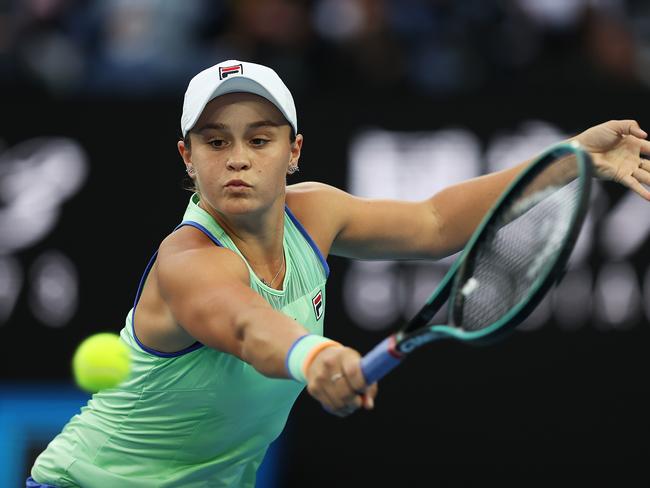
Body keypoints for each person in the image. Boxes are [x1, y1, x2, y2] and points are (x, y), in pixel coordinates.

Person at [28, 59, 650, 488]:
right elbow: (247, 327)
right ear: (188, 159)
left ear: (293, 151)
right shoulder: (189, 260)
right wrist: (314, 357)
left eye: (261, 139)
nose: (239, 158)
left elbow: (435, 222)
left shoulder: (315, 213)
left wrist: (571, 158)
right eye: (215, 143)